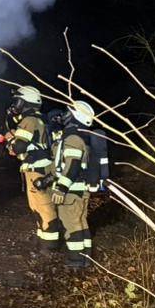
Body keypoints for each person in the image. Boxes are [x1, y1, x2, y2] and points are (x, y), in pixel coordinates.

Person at [2, 86, 59, 250]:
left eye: (18, 101)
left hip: (37, 171)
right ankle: (43, 241)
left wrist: (10, 139)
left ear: (26, 103)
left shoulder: (29, 121)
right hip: (38, 170)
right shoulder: (37, 119)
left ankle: (49, 247)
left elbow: (19, 147)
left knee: (44, 207)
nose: (15, 105)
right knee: (38, 207)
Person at [47, 100, 102, 268]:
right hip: (80, 189)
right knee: (80, 222)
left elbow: (72, 164)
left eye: (68, 112)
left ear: (75, 115)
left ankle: (75, 262)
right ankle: (86, 259)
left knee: (71, 225)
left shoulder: (72, 137)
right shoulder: (80, 136)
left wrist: (61, 188)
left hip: (71, 190)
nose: (65, 115)